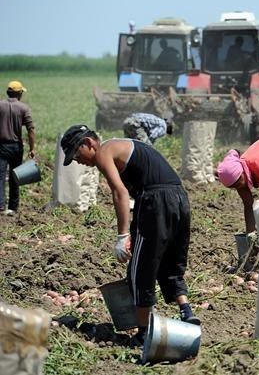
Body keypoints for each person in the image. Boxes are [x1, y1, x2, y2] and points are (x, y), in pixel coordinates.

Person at [60, 125, 199, 346]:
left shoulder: (105, 151)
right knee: (170, 261)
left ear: (88, 143)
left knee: (140, 269)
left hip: (156, 202)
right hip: (179, 198)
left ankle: (144, 333)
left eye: (76, 154)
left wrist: (122, 235)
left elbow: (119, 192)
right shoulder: (122, 145)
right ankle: (186, 310)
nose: (78, 160)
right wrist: (135, 230)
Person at [0, 81, 35, 216]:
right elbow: (31, 129)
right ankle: (13, 208)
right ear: (19, 94)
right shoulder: (23, 108)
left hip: (1, 146)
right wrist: (32, 148)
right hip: (16, 147)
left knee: (0, 176)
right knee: (15, 177)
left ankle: (0, 205)